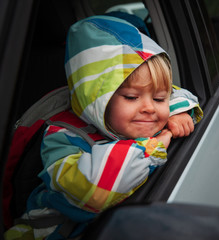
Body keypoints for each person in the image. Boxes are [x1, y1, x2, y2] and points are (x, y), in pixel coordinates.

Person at [4, 15, 202, 240]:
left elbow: (179, 93)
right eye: (130, 97)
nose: (149, 108)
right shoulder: (61, 138)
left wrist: (178, 112)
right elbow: (90, 191)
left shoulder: (140, 117)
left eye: (159, 98)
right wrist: (154, 145)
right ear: (98, 100)